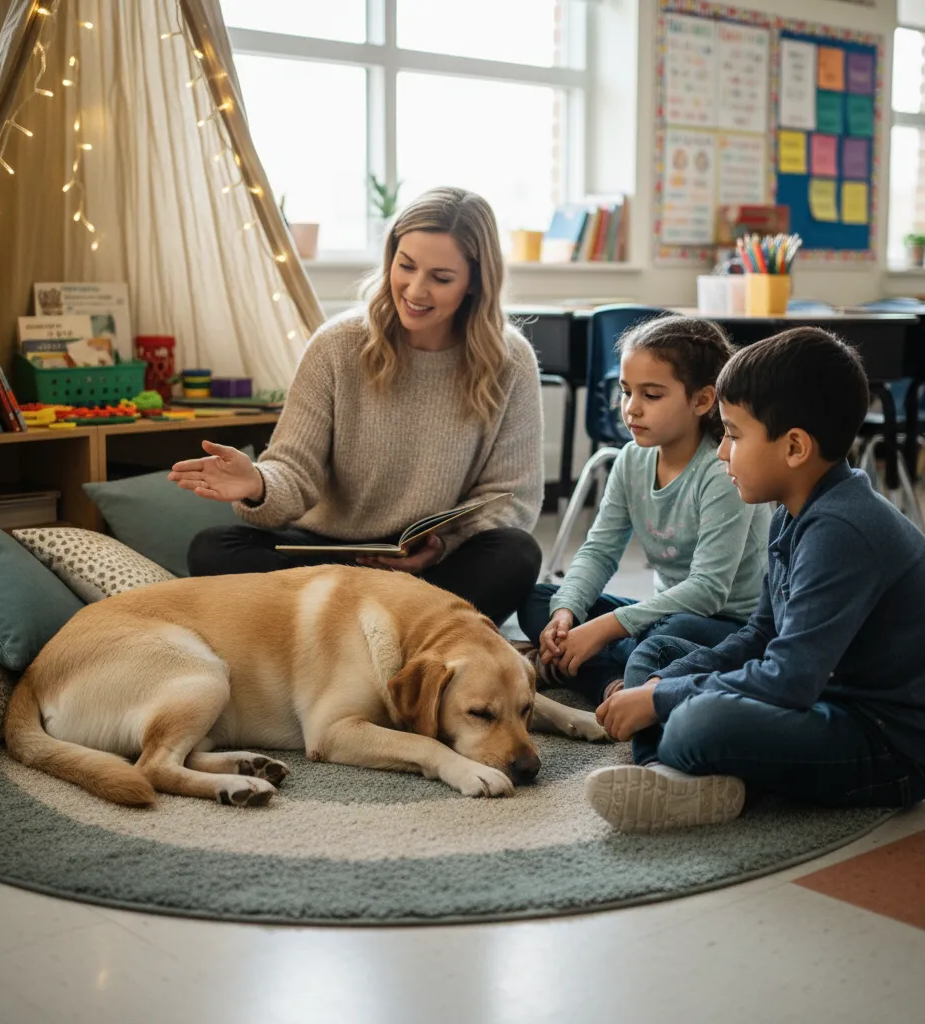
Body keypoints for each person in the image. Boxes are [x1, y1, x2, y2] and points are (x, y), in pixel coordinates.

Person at [586, 327, 925, 833]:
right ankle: (673, 772)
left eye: (733, 435)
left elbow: (788, 678)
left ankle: (676, 762)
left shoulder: (842, 528)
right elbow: (760, 634)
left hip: (887, 744)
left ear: (793, 448)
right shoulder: (795, 510)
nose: (721, 452)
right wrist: (665, 685)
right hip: (826, 697)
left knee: (697, 721)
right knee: (656, 659)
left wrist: (661, 699)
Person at [169, 186, 544, 624]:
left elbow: (510, 499)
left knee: (515, 554)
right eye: (405, 266)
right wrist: (257, 483)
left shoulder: (510, 360)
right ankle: (400, 630)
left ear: (475, 282)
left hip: (429, 560)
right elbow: (294, 468)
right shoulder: (337, 344)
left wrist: (440, 546)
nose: (415, 290)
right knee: (214, 549)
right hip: (330, 556)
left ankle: (345, 630)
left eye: (441, 278)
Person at [516, 315, 770, 705]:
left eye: (651, 396)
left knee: (660, 637)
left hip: (724, 623)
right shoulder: (631, 460)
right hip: (659, 614)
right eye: (625, 391)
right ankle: (611, 683)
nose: (631, 409)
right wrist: (565, 613)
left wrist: (604, 629)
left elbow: (708, 592)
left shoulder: (722, 471)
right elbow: (599, 551)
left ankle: (587, 666)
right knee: (539, 601)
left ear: (702, 400)